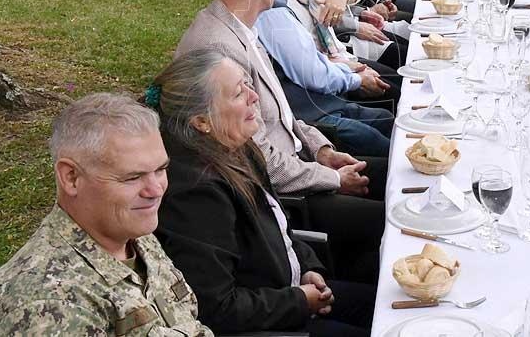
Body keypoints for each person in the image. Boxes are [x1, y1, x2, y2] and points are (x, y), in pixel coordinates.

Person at [152, 50, 378, 334]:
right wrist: (299, 301)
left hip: (292, 291)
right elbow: (216, 307)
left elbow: (278, 224)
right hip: (276, 322)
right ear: (201, 121)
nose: (254, 97)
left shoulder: (237, 146)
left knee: (386, 302)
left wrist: (310, 267)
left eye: (248, 84)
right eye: (237, 94)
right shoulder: (196, 192)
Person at [0, 93, 212, 336]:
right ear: (71, 177)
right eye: (132, 177)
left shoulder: (129, 234)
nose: (155, 190)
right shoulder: (44, 304)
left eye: (160, 169)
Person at [175, 0, 384, 202]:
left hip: (299, 163)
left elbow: (280, 117)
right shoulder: (221, 50)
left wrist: (321, 151)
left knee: (392, 169)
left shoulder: (241, 28)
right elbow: (255, 156)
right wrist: (331, 179)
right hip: (281, 195)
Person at [252, 0, 396, 156]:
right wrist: (354, 75)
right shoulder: (270, 11)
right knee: (389, 114)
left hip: (331, 77)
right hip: (312, 107)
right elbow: (309, 71)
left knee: (387, 115)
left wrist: (351, 9)